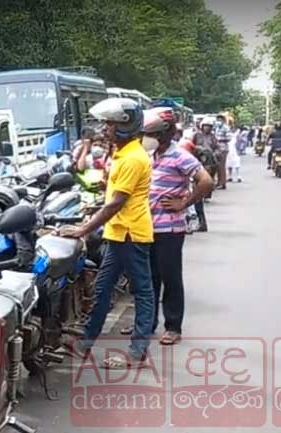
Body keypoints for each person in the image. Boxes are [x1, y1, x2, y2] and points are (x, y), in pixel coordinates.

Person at [60, 97, 154, 369]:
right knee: (102, 288)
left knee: (143, 292)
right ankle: (85, 343)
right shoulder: (123, 154)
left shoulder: (133, 158)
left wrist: (82, 229)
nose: (105, 129)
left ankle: (137, 352)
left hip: (130, 233)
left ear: (126, 126)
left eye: (111, 124)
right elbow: (112, 196)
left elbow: (117, 202)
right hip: (118, 232)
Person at [142, 108, 214, 344]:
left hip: (170, 229)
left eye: (151, 133)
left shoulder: (180, 156)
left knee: (170, 277)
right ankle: (147, 322)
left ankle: (173, 326)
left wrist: (184, 202)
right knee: (149, 278)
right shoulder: (150, 156)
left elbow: (206, 181)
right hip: (147, 227)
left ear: (165, 134)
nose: (147, 136)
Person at [214, 114, 231, 189]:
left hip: (223, 148)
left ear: (223, 120)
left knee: (221, 166)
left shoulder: (225, 128)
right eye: (218, 119)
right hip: (216, 148)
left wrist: (219, 140)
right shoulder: (216, 128)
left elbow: (229, 138)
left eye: (220, 119)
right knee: (216, 166)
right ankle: (218, 182)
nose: (219, 121)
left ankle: (223, 183)